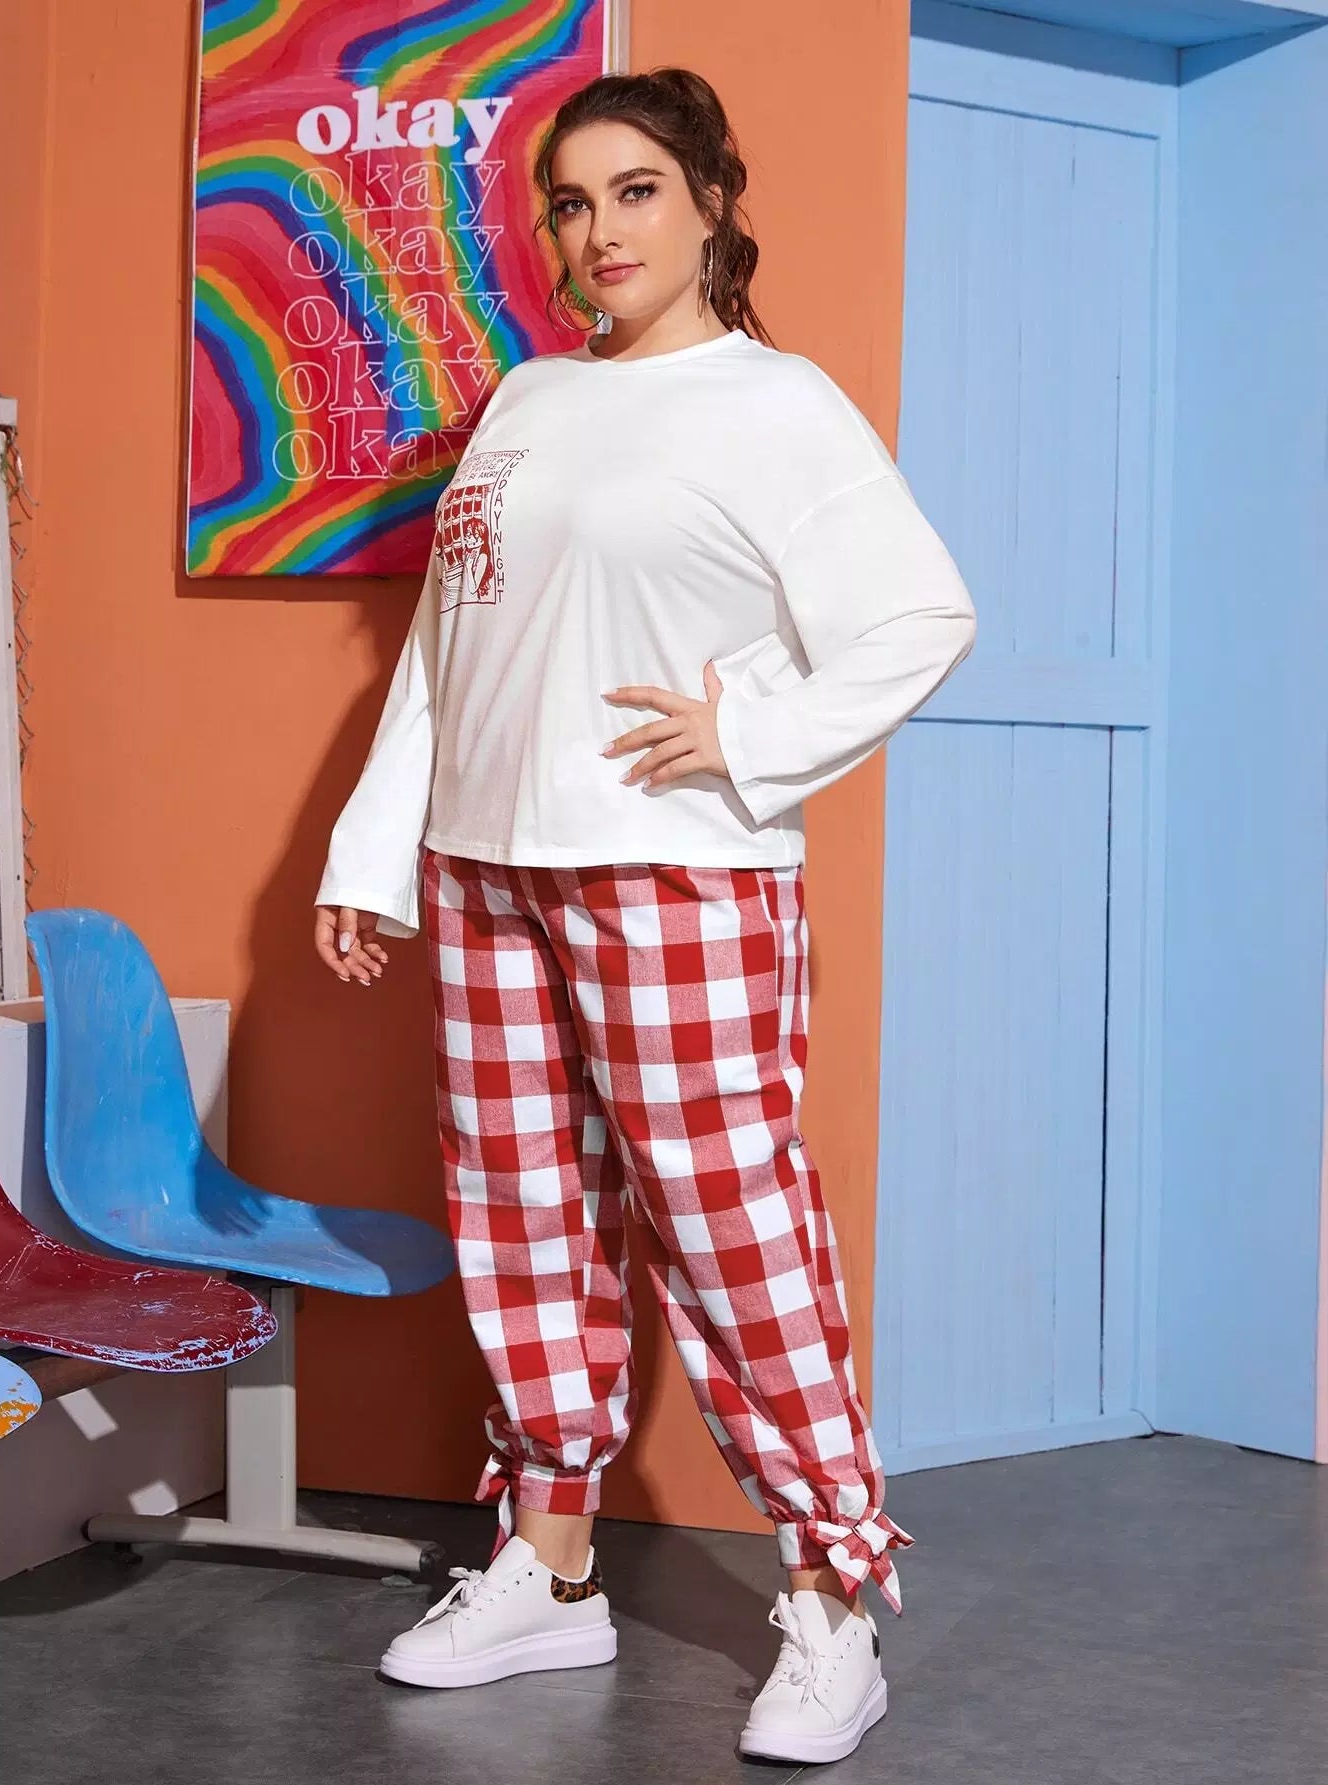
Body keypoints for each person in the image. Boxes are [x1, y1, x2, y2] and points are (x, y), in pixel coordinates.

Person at [313, 65, 976, 1768]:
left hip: (672, 864)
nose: (599, 231)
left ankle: (833, 1593)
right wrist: (373, 853)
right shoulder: (529, 399)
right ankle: (548, 1563)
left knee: (730, 1226)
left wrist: (749, 737)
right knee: (521, 1219)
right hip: (487, 866)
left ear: (709, 206)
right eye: (571, 202)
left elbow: (921, 613)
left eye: (635, 192)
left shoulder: (777, 403)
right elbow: (448, 643)